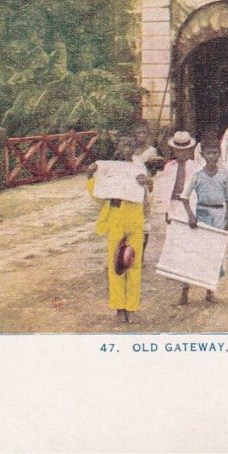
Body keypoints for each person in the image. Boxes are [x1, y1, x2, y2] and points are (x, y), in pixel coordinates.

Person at [87, 134, 151, 324]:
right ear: (117, 147)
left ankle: (131, 306)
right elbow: (99, 195)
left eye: (130, 145)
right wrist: (90, 176)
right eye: (123, 145)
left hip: (135, 216)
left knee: (133, 263)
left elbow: (147, 198)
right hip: (116, 215)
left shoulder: (140, 169)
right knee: (116, 263)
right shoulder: (108, 169)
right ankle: (119, 306)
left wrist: (148, 185)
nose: (126, 149)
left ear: (134, 149)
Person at [178, 142, 228, 305]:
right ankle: (184, 292)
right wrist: (190, 216)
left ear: (219, 155)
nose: (212, 156)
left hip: (219, 215)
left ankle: (209, 292)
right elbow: (184, 197)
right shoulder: (197, 175)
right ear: (203, 155)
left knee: (215, 255)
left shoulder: (225, 175)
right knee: (194, 254)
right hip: (201, 214)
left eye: (215, 153)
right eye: (208, 153)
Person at [155, 130, 199, 224]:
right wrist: (166, 211)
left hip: (189, 205)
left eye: (184, 150)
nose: (181, 153)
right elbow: (165, 189)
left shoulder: (196, 167)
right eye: (178, 150)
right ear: (174, 151)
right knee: (172, 233)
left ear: (190, 150)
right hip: (173, 203)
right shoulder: (169, 166)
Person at [132, 120, 160, 263]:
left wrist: (152, 165)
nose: (141, 135)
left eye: (144, 132)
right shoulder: (131, 151)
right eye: (138, 133)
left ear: (148, 135)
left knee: (144, 219)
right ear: (135, 135)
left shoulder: (151, 151)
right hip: (131, 188)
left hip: (145, 187)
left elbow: (153, 173)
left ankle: (141, 254)